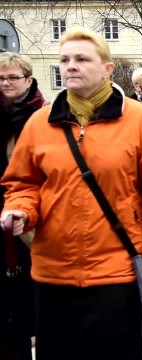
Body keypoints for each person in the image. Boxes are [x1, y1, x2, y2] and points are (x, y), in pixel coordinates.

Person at [0, 26, 142, 359]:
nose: (70, 66)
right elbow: (23, 182)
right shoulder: (40, 122)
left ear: (107, 69)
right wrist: (20, 209)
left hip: (116, 274)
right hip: (52, 275)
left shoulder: (138, 121)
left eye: (81, 59)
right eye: (64, 60)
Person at [0, 51, 47, 360]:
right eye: (1, 78)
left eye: (12, 77)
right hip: (2, 217)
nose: (5, 83)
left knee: (32, 299)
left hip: (31, 218)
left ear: (29, 80)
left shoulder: (43, 116)